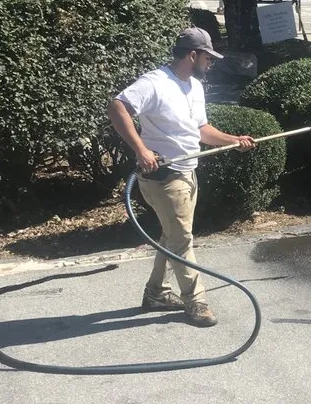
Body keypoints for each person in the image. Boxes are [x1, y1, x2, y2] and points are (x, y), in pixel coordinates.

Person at [107, 27, 255, 328]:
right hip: (163, 177)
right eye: (207, 57)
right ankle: (196, 301)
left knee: (171, 236)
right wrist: (141, 149)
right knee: (182, 239)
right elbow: (117, 106)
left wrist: (232, 140)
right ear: (192, 55)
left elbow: (201, 130)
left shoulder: (194, 87)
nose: (210, 63)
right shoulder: (155, 83)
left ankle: (156, 294)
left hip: (188, 173)